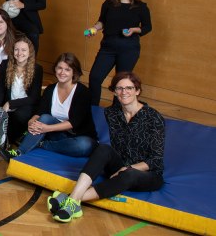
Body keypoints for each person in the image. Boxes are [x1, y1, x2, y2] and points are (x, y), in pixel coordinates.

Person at [48, 72, 165, 223]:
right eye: (119, 88)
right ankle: (74, 203)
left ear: (137, 91)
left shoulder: (154, 118)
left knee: (129, 174)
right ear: (115, 92)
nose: (124, 92)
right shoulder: (111, 113)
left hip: (147, 173)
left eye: (129, 88)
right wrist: (122, 167)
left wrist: (129, 168)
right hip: (120, 167)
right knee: (103, 148)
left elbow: (156, 160)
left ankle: (72, 199)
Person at [0, 53, 97, 161]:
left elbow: (74, 123)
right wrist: (32, 121)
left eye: (67, 69)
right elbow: (40, 112)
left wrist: (47, 128)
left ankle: (42, 144)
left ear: (74, 72)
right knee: (45, 117)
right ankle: (19, 153)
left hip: (78, 136)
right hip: (55, 133)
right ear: (55, 69)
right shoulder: (50, 89)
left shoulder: (82, 92)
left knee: (84, 145)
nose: (62, 72)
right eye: (59, 68)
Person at [86, 0, 152, 106]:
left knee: (120, 82)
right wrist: (94, 28)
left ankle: (116, 110)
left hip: (129, 49)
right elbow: (102, 22)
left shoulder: (141, 7)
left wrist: (134, 30)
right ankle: (92, 108)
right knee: (95, 77)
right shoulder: (108, 3)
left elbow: (147, 27)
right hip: (108, 47)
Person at [0, 36, 43, 144]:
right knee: (1, 118)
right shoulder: (5, 64)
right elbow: (0, 90)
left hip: (25, 106)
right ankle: (8, 138)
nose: (19, 53)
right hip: (8, 106)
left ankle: (12, 138)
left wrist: (11, 103)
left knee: (18, 116)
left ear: (30, 52)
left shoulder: (37, 69)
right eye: (16, 49)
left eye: (24, 50)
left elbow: (34, 98)